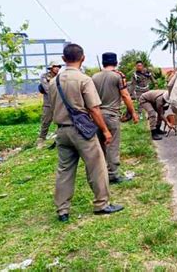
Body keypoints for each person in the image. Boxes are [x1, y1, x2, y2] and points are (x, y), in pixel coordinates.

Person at [49, 44, 123, 222]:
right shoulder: (83, 79)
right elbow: (94, 109)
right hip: (82, 132)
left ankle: (62, 210)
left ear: (64, 59)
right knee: (96, 167)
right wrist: (105, 131)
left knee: (64, 170)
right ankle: (102, 204)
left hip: (61, 131)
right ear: (82, 58)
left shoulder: (54, 82)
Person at [92, 52, 139, 184]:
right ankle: (112, 175)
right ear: (116, 62)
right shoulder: (118, 76)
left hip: (96, 116)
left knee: (100, 146)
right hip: (111, 115)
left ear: (103, 63)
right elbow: (125, 95)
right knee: (112, 145)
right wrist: (133, 112)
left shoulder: (94, 77)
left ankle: (101, 174)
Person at [36, 61, 61, 149]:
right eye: (55, 66)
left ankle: (59, 140)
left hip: (58, 103)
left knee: (61, 122)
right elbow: (47, 89)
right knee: (45, 122)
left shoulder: (60, 77)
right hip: (48, 104)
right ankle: (41, 141)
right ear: (51, 68)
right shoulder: (45, 76)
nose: (57, 68)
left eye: (58, 67)